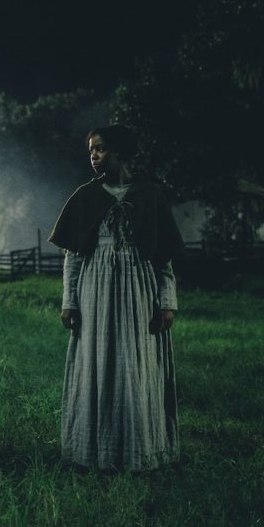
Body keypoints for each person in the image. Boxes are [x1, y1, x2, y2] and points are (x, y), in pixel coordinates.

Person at [49, 124, 184, 472]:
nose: (93, 156)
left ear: (120, 151)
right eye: (91, 150)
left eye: (101, 149)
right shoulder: (85, 197)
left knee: (135, 363)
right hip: (96, 288)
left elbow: (162, 257)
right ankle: (95, 452)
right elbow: (73, 257)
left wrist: (167, 301)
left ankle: (139, 450)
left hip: (139, 287)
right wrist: (70, 300)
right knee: (98, 362)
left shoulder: (149, 194)